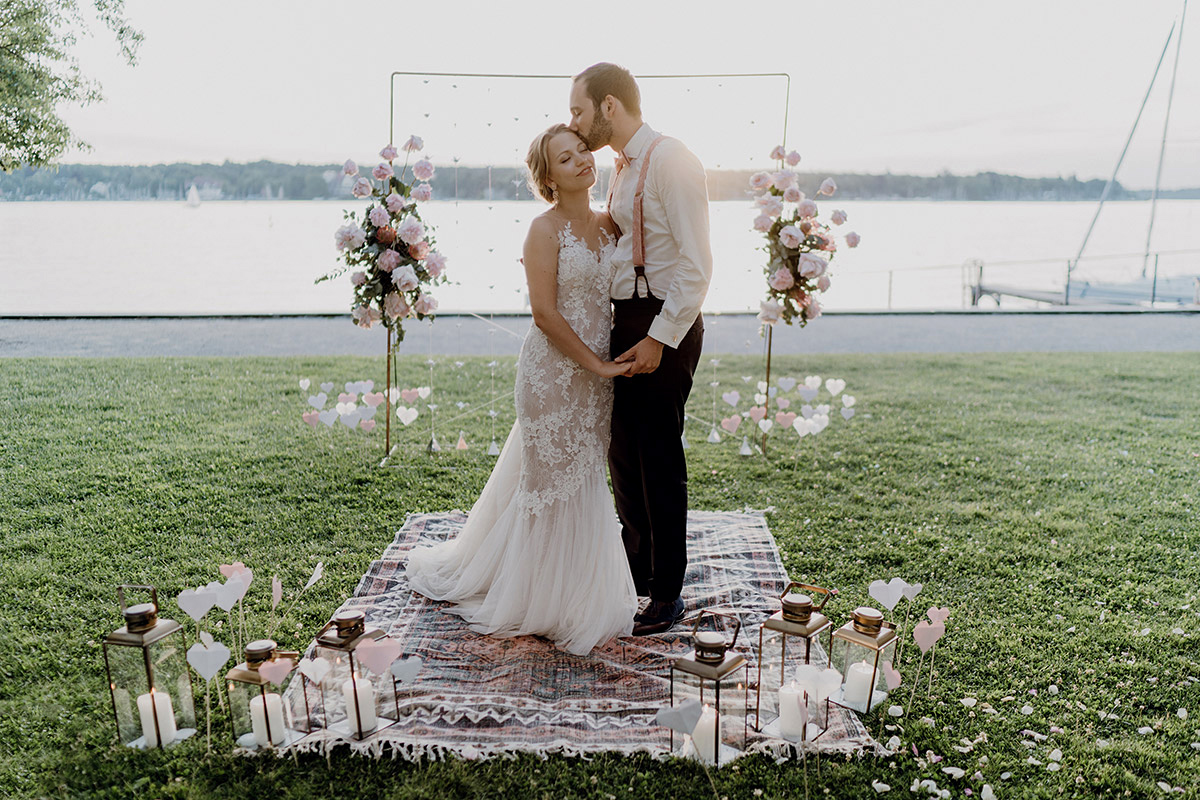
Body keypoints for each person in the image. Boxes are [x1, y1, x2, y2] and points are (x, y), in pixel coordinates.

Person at [405, 124, 637, 656]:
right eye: (565, 158)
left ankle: (578, 591)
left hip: (598, 377)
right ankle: (538, 598)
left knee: (583, 476)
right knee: (549, 480)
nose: (581, 160)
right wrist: (598, 368)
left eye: (582, 151)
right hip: (553, 373)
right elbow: (545, 314)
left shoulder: (611, 227)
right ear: (548, 177)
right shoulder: (543, 229)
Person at [569, 63, 713, 635]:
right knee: (623, 455)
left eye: (578, 110)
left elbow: (698, 266)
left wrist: (658, 337)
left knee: (657, 457)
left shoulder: (673, 159)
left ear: (609, 106)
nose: (573, 123)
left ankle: (668, 592)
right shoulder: (621, 167)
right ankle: (639, 572)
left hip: (664, 324)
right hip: (627, 320)